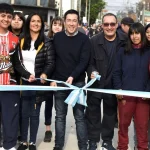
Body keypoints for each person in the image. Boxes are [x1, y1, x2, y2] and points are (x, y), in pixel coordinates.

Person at [50, 9, 91, 150]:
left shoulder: (84, 39)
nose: (72, 23)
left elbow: (84, 61)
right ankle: (58, 145)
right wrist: (52, 79)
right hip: (60, 84)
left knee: (79, 118)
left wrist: (73, 76)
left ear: (78, 22)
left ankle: (83, 146)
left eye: (74, 20)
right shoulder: (57, 37)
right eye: (69, 20)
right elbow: (53, 60)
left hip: (77, 85)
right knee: (60, 117)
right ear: (64, 21)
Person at [86, 13, 127, 150]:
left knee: (110, 115)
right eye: (106, 24)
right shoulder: (93, 41)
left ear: (117, 25)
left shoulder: (124, 41)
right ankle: (92, 141)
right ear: (102, 25)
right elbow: (88, 62)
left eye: (112, 24)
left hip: (113, 85)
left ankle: (106, 142)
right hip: (96, 85)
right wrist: (92, 71)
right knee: (93, 114)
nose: (109, 27)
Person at [0, 3, 36, 150]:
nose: (6, 19)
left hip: (10, 87)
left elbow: (17, 64)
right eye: (3, 16)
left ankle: (8, 146)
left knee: (11, 120)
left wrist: (28, 75)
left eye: (9, 16)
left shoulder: (15, 40)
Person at [17, 13, 55, 150]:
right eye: (33, 21)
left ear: (42, 24)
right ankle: (23, 141)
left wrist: (44, 74)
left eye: (38, 21)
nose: (36, 23)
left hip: (38, 82)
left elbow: (50, 62)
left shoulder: (47, 42)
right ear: (28, 23)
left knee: (34, 113)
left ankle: (32, 142)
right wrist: (25, 74)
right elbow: (17, 62)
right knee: (23, 113)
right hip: (23, 82)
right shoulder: (20, 40)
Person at [113, 22, 150, 150]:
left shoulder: (148, 51)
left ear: (142, 34)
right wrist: (118, 88)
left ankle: (142, 148)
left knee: (142, 127)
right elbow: (116, 72)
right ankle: (122, 147)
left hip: (143, 97)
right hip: (125, 96)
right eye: (132, 34)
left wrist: (147, 92)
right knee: (123, 126)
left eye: (137, 33)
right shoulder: (123, 51)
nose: (135, 36)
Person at [43, 16, 64, 143]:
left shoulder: (65, 40)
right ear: (51, 26)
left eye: (59, 24)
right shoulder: (46, 40)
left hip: (60, 77)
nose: (57, 26)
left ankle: (59, 131)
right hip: (48, 75)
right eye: (55, 24)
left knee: (59, 106)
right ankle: (48, 129)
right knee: (48, 103)